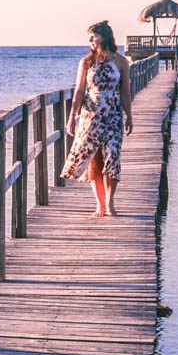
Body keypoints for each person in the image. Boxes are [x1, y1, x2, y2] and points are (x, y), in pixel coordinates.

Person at [60, 20, 133, 217]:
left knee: (113, 157)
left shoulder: (120, 61)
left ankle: (110, 203)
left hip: (113, 116)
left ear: (105, 37)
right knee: (94, 160)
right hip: (90, 117)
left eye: (95, 36)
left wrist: (129, 116)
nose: (91, 40)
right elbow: (79, 91)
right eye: (90, 37)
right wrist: (71, 117)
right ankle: (100, 205)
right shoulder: (86, 62)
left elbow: (125, 92)